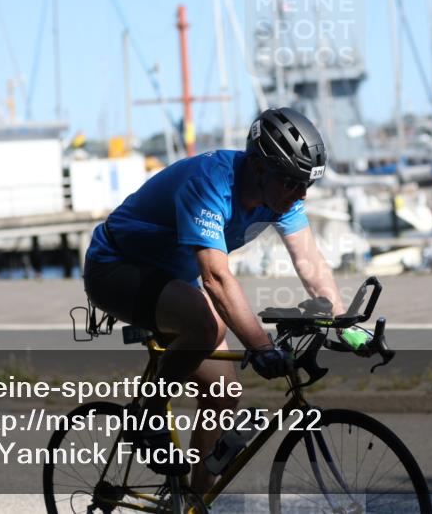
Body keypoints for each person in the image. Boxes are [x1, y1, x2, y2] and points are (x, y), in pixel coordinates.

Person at [82, 107, 361, 494]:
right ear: (260, 168)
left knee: (224, 393)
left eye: (306, 185)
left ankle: (194, 500)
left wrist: (345, 324)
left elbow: (310, 263)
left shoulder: (282, 196)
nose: (300, 194)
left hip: (168, 278)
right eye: (291, 182)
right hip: (114, 267)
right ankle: (146, 416)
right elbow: (215, 278)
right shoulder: (210, 181)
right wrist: (260, 346)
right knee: (206, 322)